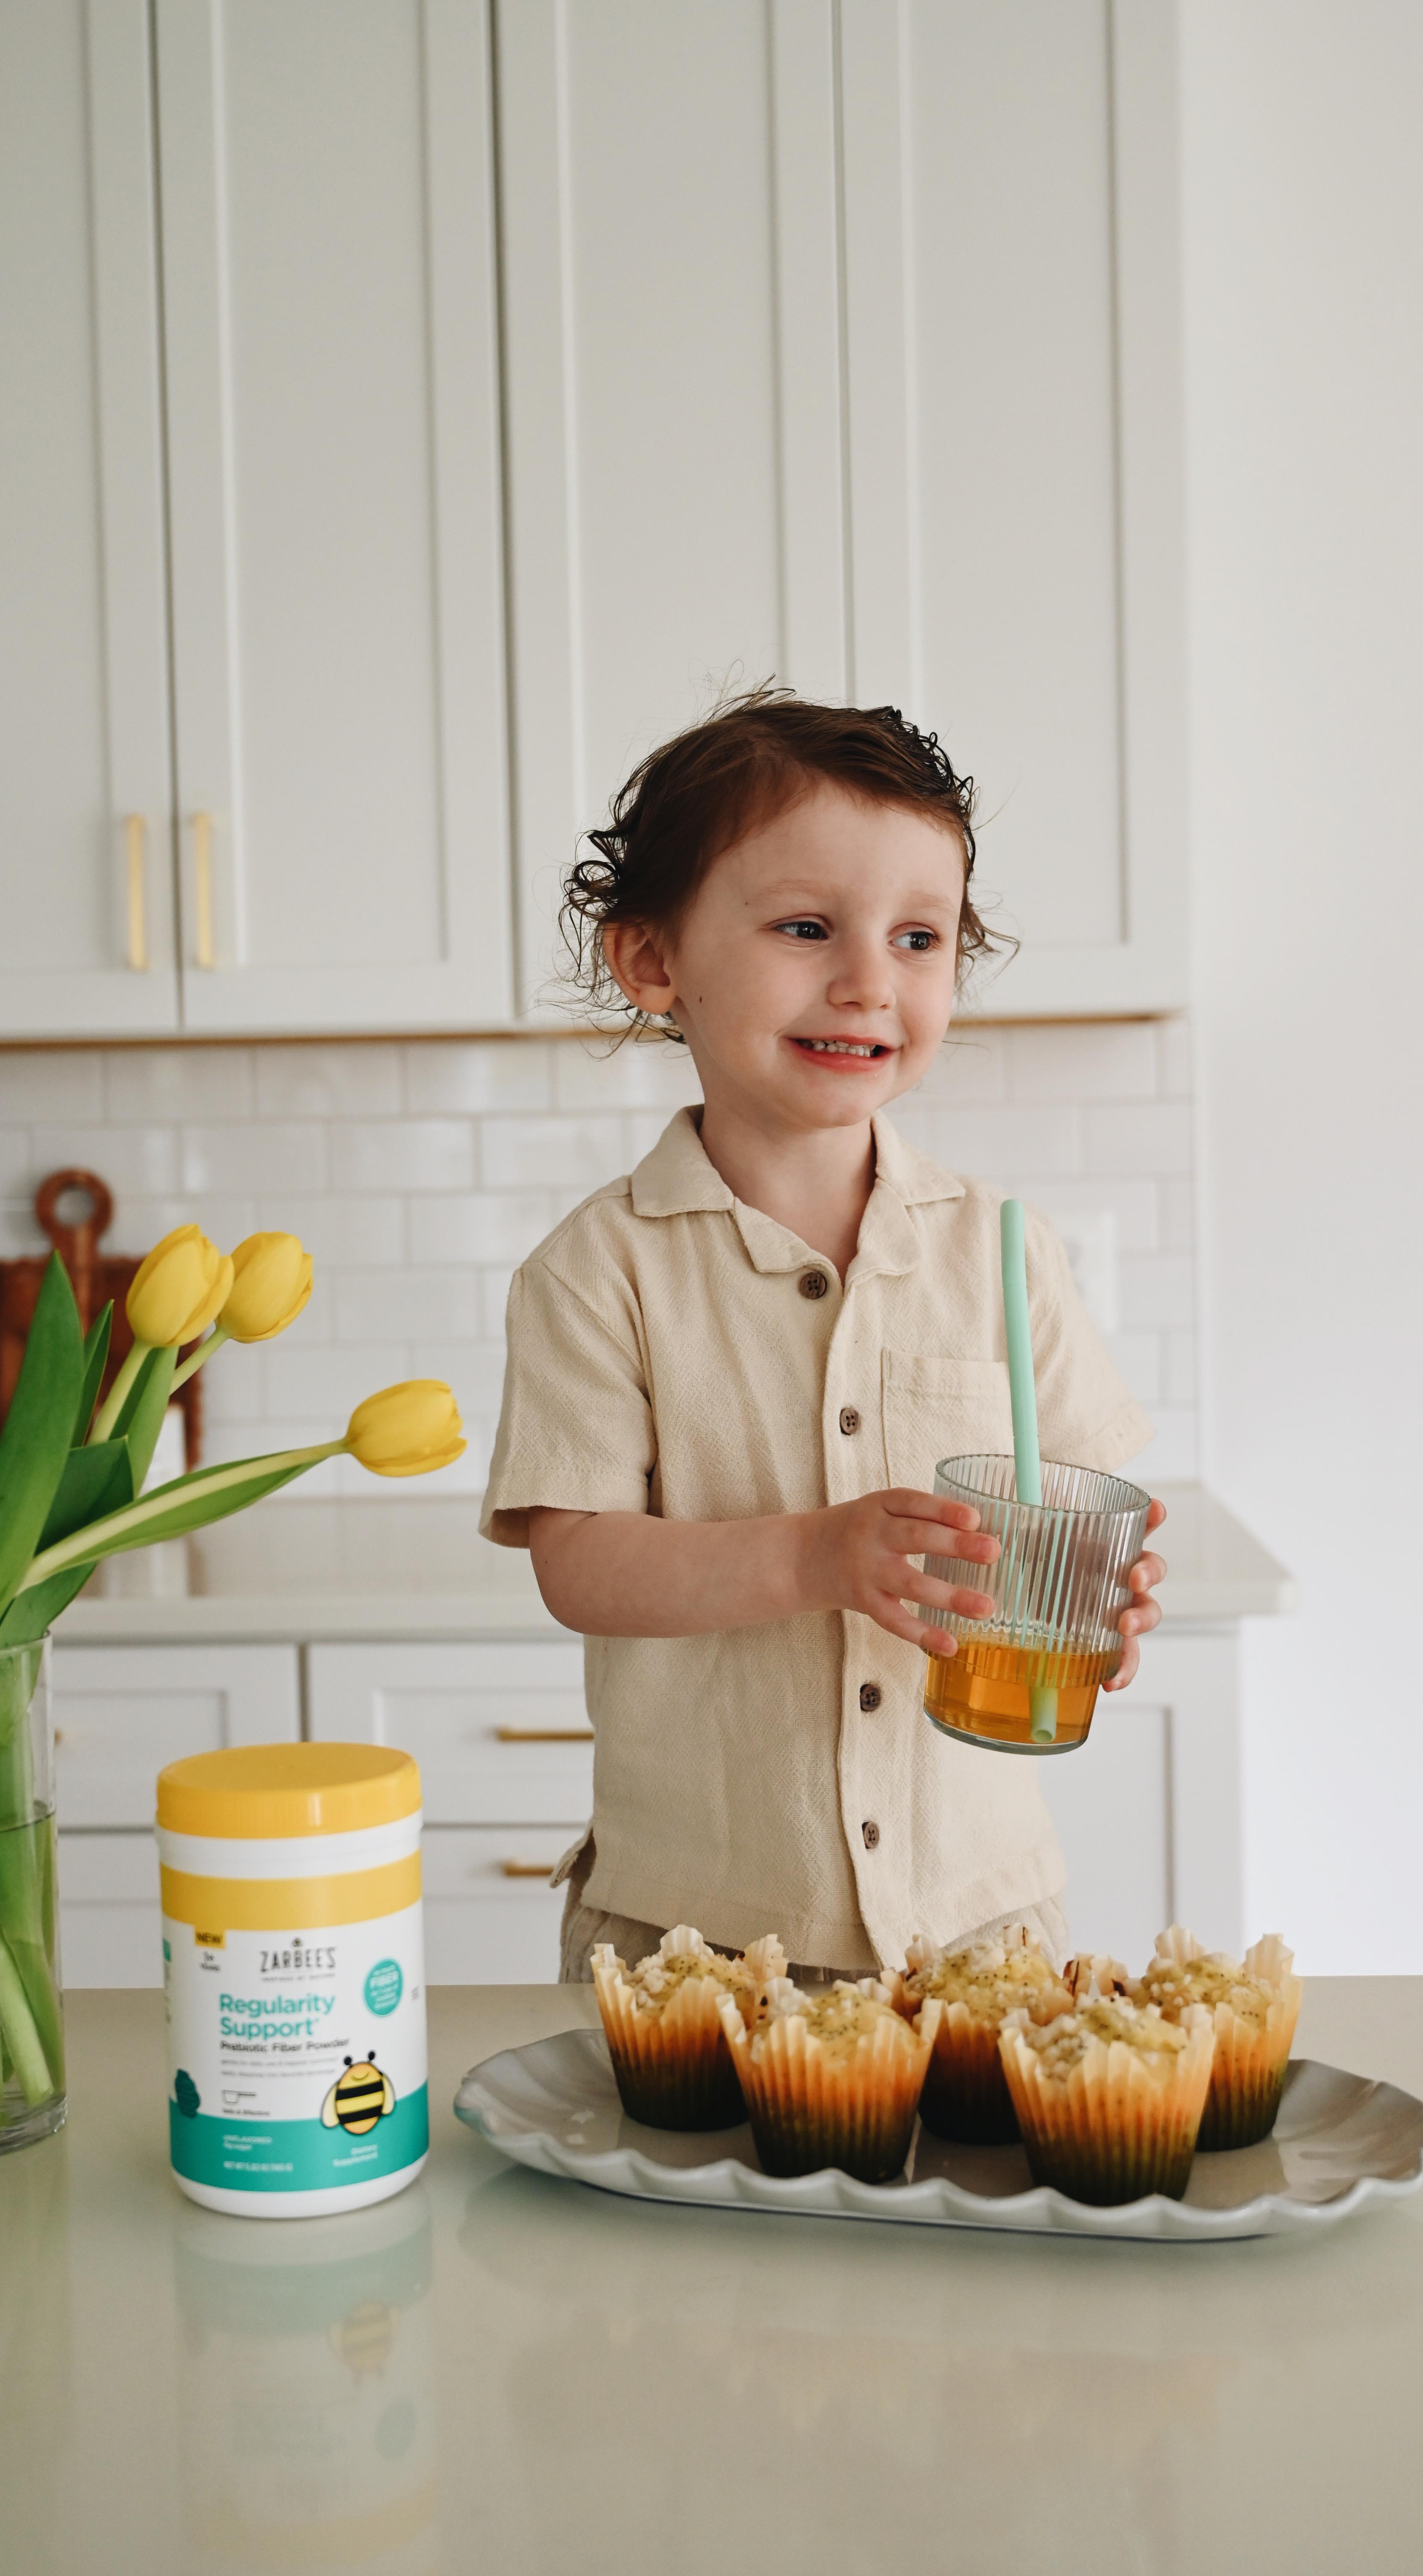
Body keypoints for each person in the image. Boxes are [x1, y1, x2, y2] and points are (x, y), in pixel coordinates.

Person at [480, 690, 1165, 1982]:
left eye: (920, 937)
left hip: (976, 1930)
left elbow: (1071, 1508)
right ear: (652, 960)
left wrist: (1102, 1601)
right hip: (694, 1940)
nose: (869, 983)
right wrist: (819, 1554)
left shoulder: (1003, 1249)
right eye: (806, 927)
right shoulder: (596, 1270)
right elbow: (579, 1567)